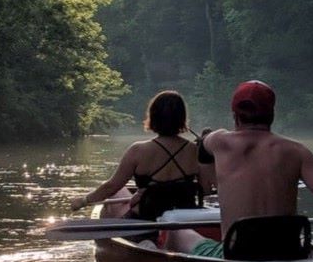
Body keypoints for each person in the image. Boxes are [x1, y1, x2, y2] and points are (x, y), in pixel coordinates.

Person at [168, 80, 313, 259]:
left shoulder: (220, 141)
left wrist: (210, 176)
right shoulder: (296, 151)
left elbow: (203, 146)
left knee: (176, 233)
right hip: (287, 254)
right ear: (272, 114)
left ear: (235, 115)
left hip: (236, 255)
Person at [70, 90, 215, 220]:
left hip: (146, 216)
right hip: (184, 218)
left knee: (118, 191)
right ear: (182, 118)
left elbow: (111, 187)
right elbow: (207, 190)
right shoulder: (195, 151)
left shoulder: (138, 150)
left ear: (153, 116)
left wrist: (83, 201)